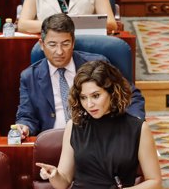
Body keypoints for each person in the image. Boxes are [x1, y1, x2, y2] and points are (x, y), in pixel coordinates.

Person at [37, 60, 162, 189]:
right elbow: (63, 182)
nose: (89, 104)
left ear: (112, 92)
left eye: (96, 96)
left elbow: (155, 182)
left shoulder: (138, 129)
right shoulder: (74, 127)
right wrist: (54, 175)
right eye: (84, 98)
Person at [16, 14, 144, 138]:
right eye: (52, 45)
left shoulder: (96, 64)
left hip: (96, 138)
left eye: (65, 44)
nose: (59, 51)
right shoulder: (29, 76)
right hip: (54, 141)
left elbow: (131, 95)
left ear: (73, 43)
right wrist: (24, 126)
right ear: (42, 45)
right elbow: (27, 117)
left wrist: (134, 124)